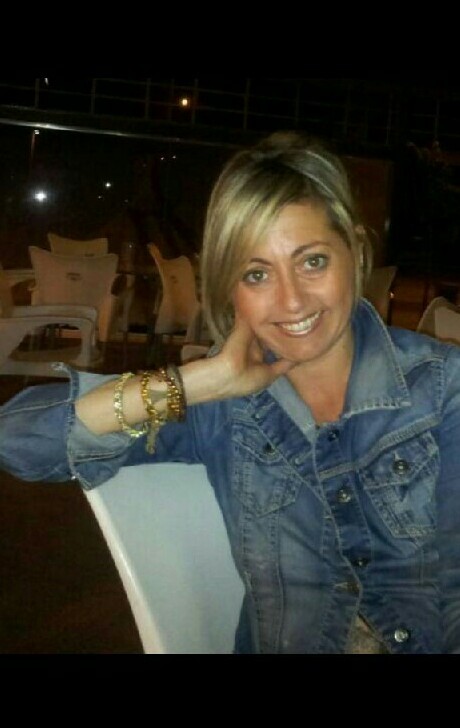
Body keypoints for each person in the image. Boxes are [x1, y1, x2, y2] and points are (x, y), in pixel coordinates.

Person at [1, 130, 460, 654]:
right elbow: (17, 439)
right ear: (228, 288)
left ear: (354, 252)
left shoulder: (442, 388)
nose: (292, 301)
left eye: (312, 261)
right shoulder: (221, 409)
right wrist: (193, 382)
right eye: (257, 274)